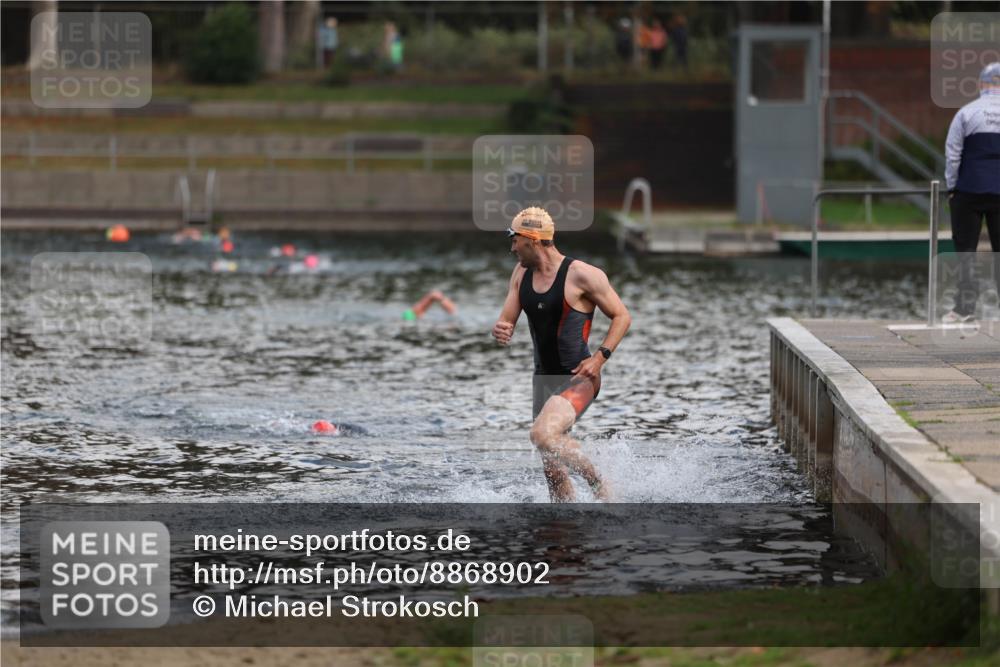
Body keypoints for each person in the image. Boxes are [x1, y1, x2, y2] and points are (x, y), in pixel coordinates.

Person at [492, 207, 631, 502]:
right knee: (554, 477)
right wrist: (502, 330)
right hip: (542, 380)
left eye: (515, 239)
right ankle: (562, 536)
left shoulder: (582, 275)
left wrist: (599, 358)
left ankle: (601, 488)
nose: (512, 247)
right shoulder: (520, 273)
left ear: (532, 239)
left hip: (578, 378)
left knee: (542, 435)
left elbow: (621, 316)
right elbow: (508, 319)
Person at [942, 62, 1000, 324]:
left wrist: (952, 186)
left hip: (969, 190)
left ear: (982, 84)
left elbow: (953, 155)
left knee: (966, 250)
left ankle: (965, 309)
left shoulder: (966, 113)